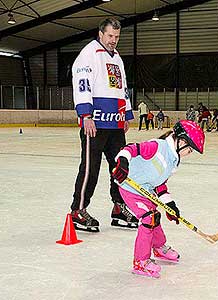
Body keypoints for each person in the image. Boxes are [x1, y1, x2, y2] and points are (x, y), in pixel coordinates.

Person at [111, 120, 205, 278]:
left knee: (154, 218)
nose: (190, 152)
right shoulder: (158, 147)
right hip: (130, 188)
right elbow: (131, 148)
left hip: (145, 191)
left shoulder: (172, 160)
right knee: (148, 219)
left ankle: (159, 247)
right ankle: (140, 261)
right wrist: (123, 162)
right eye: (190, 148)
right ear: (181, 141)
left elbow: (160, 184)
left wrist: (170, 205)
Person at [70, 17, 138, 232]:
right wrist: (85, 115)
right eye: (110, 36)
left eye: (117, 37)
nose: (113, 41)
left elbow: (122, 87)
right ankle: (78, 210)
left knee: (120, 168)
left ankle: (119, 208)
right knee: (91, 168)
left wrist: (126, 114)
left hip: (116, 124)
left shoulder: (117, 57)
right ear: (101, 33)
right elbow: (82, 86)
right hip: (95, 124)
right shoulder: (88, 54)